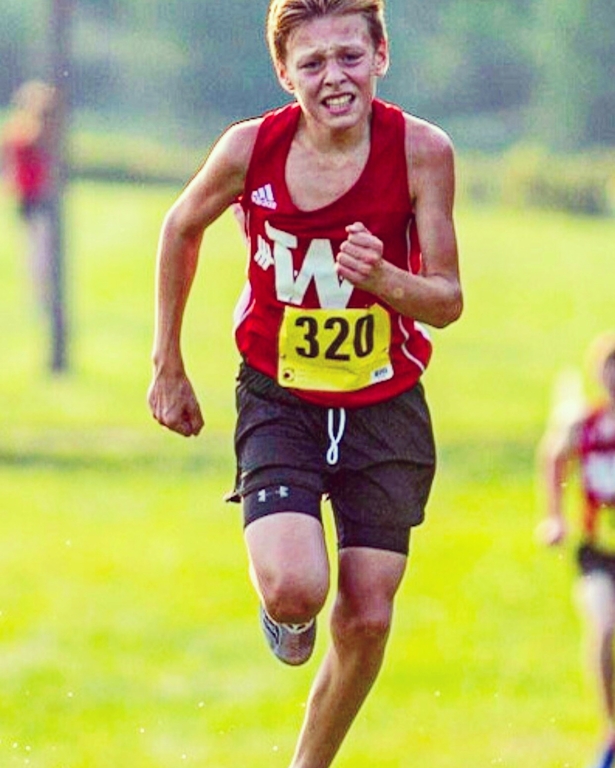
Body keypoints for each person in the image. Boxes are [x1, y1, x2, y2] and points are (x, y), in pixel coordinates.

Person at [148, 1, 462, 765]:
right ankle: (285, 615)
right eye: (312, 63)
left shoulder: (422, 151)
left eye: (349, 56)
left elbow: (446, 301)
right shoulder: (248, 149)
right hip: (279, 395)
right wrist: (168, 365)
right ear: (284, 74)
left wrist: (383, 278)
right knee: (296, 589)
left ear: (380, 56)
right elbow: (180, 227)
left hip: (384, 402)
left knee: (368, 617)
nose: (334, 78)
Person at [538, 333, 615, 768]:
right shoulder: (583, 423)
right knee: (603, 628)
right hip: (597, 552)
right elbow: (553, 455)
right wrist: (554, 517)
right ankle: (611, 730)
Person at [2, 80, 57, 312]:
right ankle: (40, 297)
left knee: (43, 248)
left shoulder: (36, 134)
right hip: (31, 197)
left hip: (39, 196)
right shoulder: (23, 134)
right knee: (38, 249)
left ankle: (44, 294)